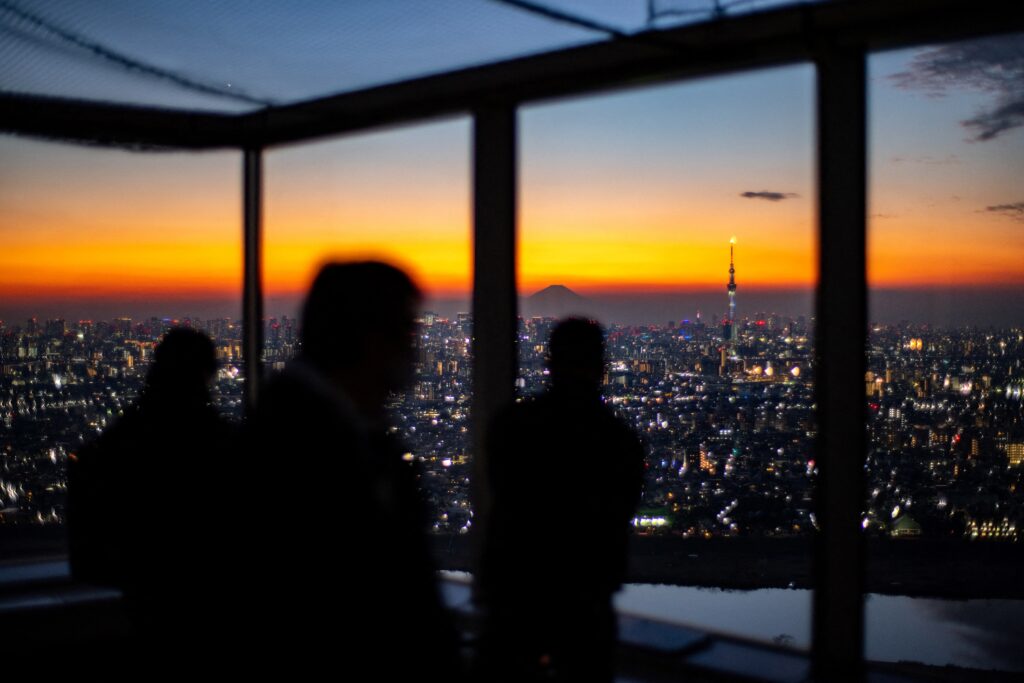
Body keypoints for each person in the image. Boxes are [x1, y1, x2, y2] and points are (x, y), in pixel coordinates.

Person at [247, 261, 462, 677]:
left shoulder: (317, 428)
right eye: (406, 331)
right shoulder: (298, 450)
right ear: (367, 336)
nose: (415, 350)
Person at [477, 318, 644, 683]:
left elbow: (499, 498)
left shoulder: (512, 425)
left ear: (548, 363)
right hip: (586, 605)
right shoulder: (618, 443)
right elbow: (617, 521)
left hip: (514, 598)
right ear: (602, 368)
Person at [68, 327, 235, 656]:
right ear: (206, 374)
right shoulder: (213, 442)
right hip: (207, 603)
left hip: (143, 600)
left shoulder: (125, 437)